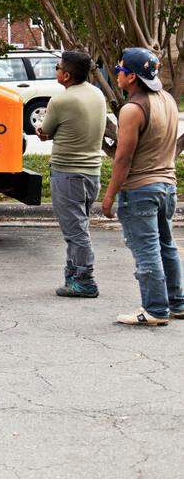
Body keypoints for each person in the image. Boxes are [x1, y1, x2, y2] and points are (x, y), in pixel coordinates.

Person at [101, 47, 184, 326]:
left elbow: (123, 158)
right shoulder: (167, 100)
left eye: (119, 69)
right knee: (166, 246)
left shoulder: (132, 110)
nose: (117, 74)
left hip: (140, 189)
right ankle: (176, 303)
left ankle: (155, 309)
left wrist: (109, 196)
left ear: (132, 77)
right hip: (167, 186)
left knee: (146, 249)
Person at [36, 51, 107, 298]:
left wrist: (43, 133)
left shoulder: (61, 101)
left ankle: (85, 280)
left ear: (66, 75)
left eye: (58, 67)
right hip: (92, 172)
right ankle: (73, 276)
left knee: (76, 232)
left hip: (68, 172)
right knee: (78, 226)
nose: (56, 70)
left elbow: (46, 131)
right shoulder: (97, 94)